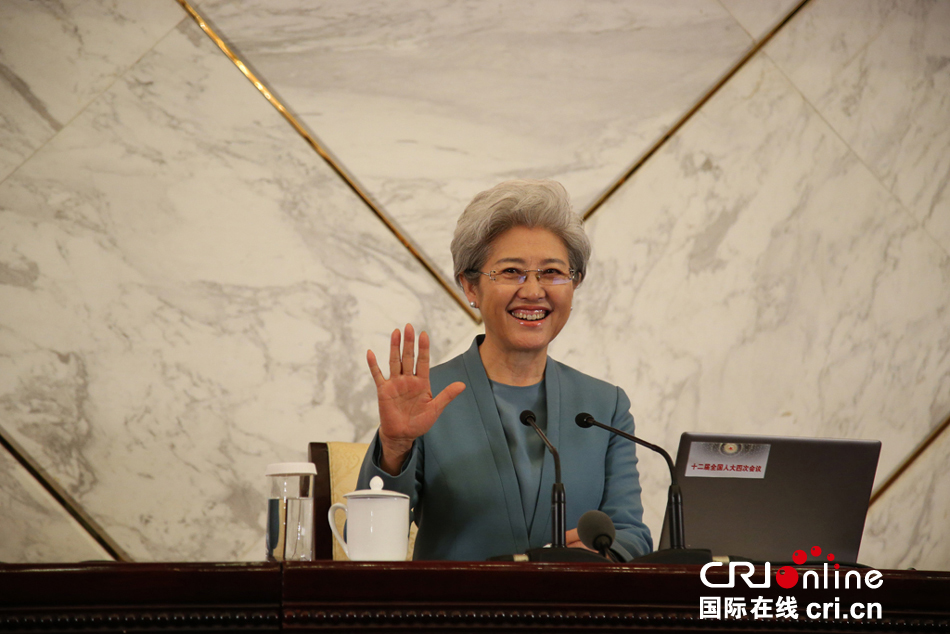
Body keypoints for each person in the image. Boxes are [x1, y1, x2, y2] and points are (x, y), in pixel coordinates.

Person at [356, 179, 652, 561]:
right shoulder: (427, 397)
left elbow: (631, 535)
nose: (533, 291)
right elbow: (366, 543)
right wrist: (395, 447)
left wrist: (600, 557)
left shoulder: (604, 406)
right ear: (470, 287)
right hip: (455, 601)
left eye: (552, 272)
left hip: (572, 600)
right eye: (512, 271)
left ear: (574, 284)